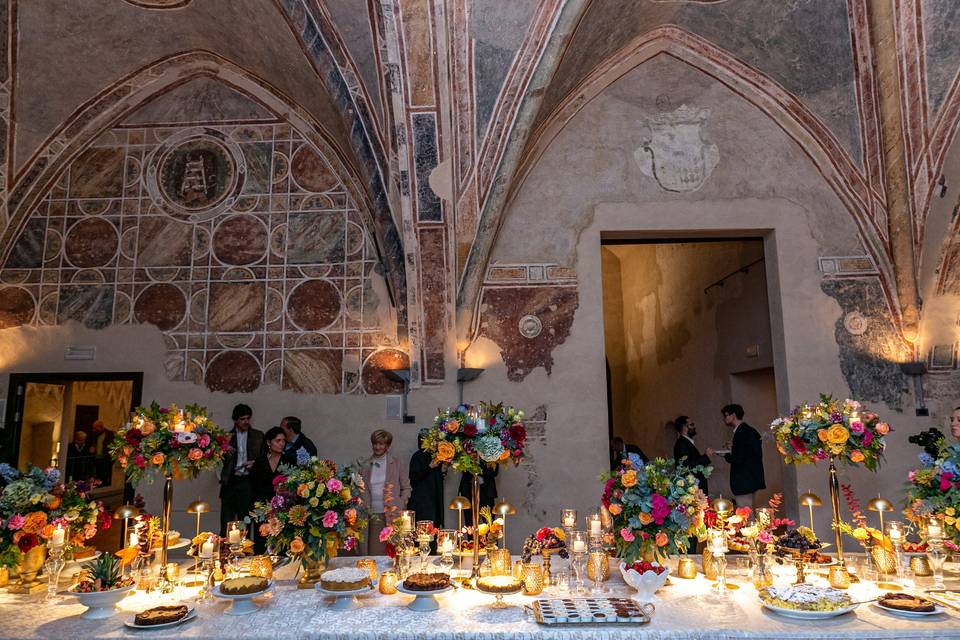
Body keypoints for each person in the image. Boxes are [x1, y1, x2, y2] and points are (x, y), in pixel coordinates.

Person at [360, 429, 411, 555]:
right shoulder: (365, 465)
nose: (377, 447)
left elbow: (407, 487)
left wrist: (401, 502)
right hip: (372, 515)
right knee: (374, 553)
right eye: (375, 443)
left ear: (387, 445)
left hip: (392, 515)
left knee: (393, 553)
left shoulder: (397, 464)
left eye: (381, 444)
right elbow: (360, 489)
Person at [220, 404, 265, 536]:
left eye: (248, 418)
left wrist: (254, 464)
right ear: (235, 420)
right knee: (225, 521)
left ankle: (244, 552)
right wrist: (223, 449)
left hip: (248, 481)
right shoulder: (227, 436)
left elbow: (264, 459)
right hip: (230, 481)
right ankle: (225, 551)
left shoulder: (258, 436)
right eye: (242, 419)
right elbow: (217, 462)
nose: (246, 422)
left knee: (245, 520)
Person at [251, 426, 295, 553]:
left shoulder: (289, 461)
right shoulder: (260, 462)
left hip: (283, 510)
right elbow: (254, 486)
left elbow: (294, 485)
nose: (281, 444)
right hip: (263, 509)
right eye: (278, 440)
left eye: (283, 441)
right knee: (262, 542)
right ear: (269, 442)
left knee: (282, 544)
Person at [714, 404, 765, 509]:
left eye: (726, 415)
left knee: (745, 513)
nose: (724, 419)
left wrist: (726, 454)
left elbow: (739, 459)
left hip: (744, 480)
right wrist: (733, 448)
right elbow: (748, 453)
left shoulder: (741, 432)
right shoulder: (750, 430)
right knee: (749, 511)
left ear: (733, 415)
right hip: (752, 478)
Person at [407, 434, 445, 527]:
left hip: (435, 501)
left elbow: (437, 479)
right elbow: (414, 479)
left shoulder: (436, 456)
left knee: (434, 531)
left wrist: (443, 471)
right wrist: (429, 467)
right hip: (421, 503)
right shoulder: (417, 456)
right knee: (423, 533)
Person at [672, 415, 712, 494]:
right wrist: (705, 456)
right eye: (692, 424)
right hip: (692, 489)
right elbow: (687, 465)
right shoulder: (682, 444)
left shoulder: (686, 443)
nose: (694, 427)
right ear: (684, 427)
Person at [88, 420, 116, 486]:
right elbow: (92, 444)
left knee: (105, 477)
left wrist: (112, 458)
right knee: (97, 477)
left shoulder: (110, 434)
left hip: (106, 459)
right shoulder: (94, 434)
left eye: (95, 428)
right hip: (96, 459)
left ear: (101, 427)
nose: (94, 430)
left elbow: (114, 447)